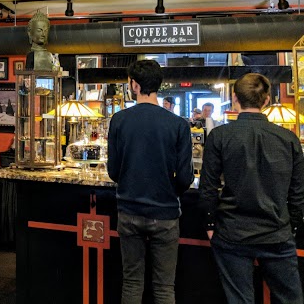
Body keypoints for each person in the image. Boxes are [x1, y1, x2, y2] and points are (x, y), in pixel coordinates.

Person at [199, 73, 304, 304]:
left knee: (240, 300)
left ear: (235, 99)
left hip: (232, 232)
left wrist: (209, 224)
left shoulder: (220, 136)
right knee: (290, 299)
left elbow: (208, 187)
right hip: (277, 232)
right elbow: (298, 193)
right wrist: (293, 227)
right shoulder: (289, 139)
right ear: (266, 100)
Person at [107, 60, 193, 304]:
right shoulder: (178, 124)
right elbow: (185, 178)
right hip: (165, 213)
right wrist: (168, 190)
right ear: (159, 85)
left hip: (129, 211)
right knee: (165, 287)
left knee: (132, 283)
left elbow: (113, 172)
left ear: (133, 85)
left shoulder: (119, 120)